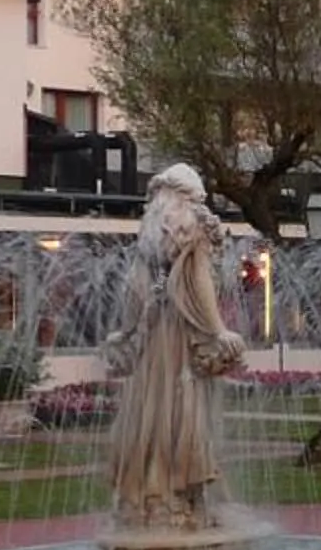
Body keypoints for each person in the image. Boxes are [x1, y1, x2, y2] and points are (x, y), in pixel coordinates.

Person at [101, 165, 248, 531]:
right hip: (182, 342)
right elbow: (199, 282)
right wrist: (217, 329)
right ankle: (179, 502)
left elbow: (134, 291)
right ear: (189, 197)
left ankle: (148, 504)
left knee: (149, 415)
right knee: (185, 413)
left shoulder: (149, 235)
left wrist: (127, 330)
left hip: (154, 341)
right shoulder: (191, 226)